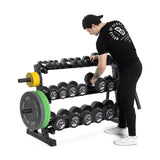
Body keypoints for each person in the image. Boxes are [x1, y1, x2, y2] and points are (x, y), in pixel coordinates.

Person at [82, 14, 142, 146]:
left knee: (127, 102)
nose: (90, 34)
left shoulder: (101, 40)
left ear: (93, 26)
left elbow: (102, 67)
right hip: (133, 65)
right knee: (120, 97)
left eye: (89, 31)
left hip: (130, 70)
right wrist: (100, 55)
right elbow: (118, 45)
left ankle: (132, 137)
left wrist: (93, 80)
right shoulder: (116, 23)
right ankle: (121, 127)